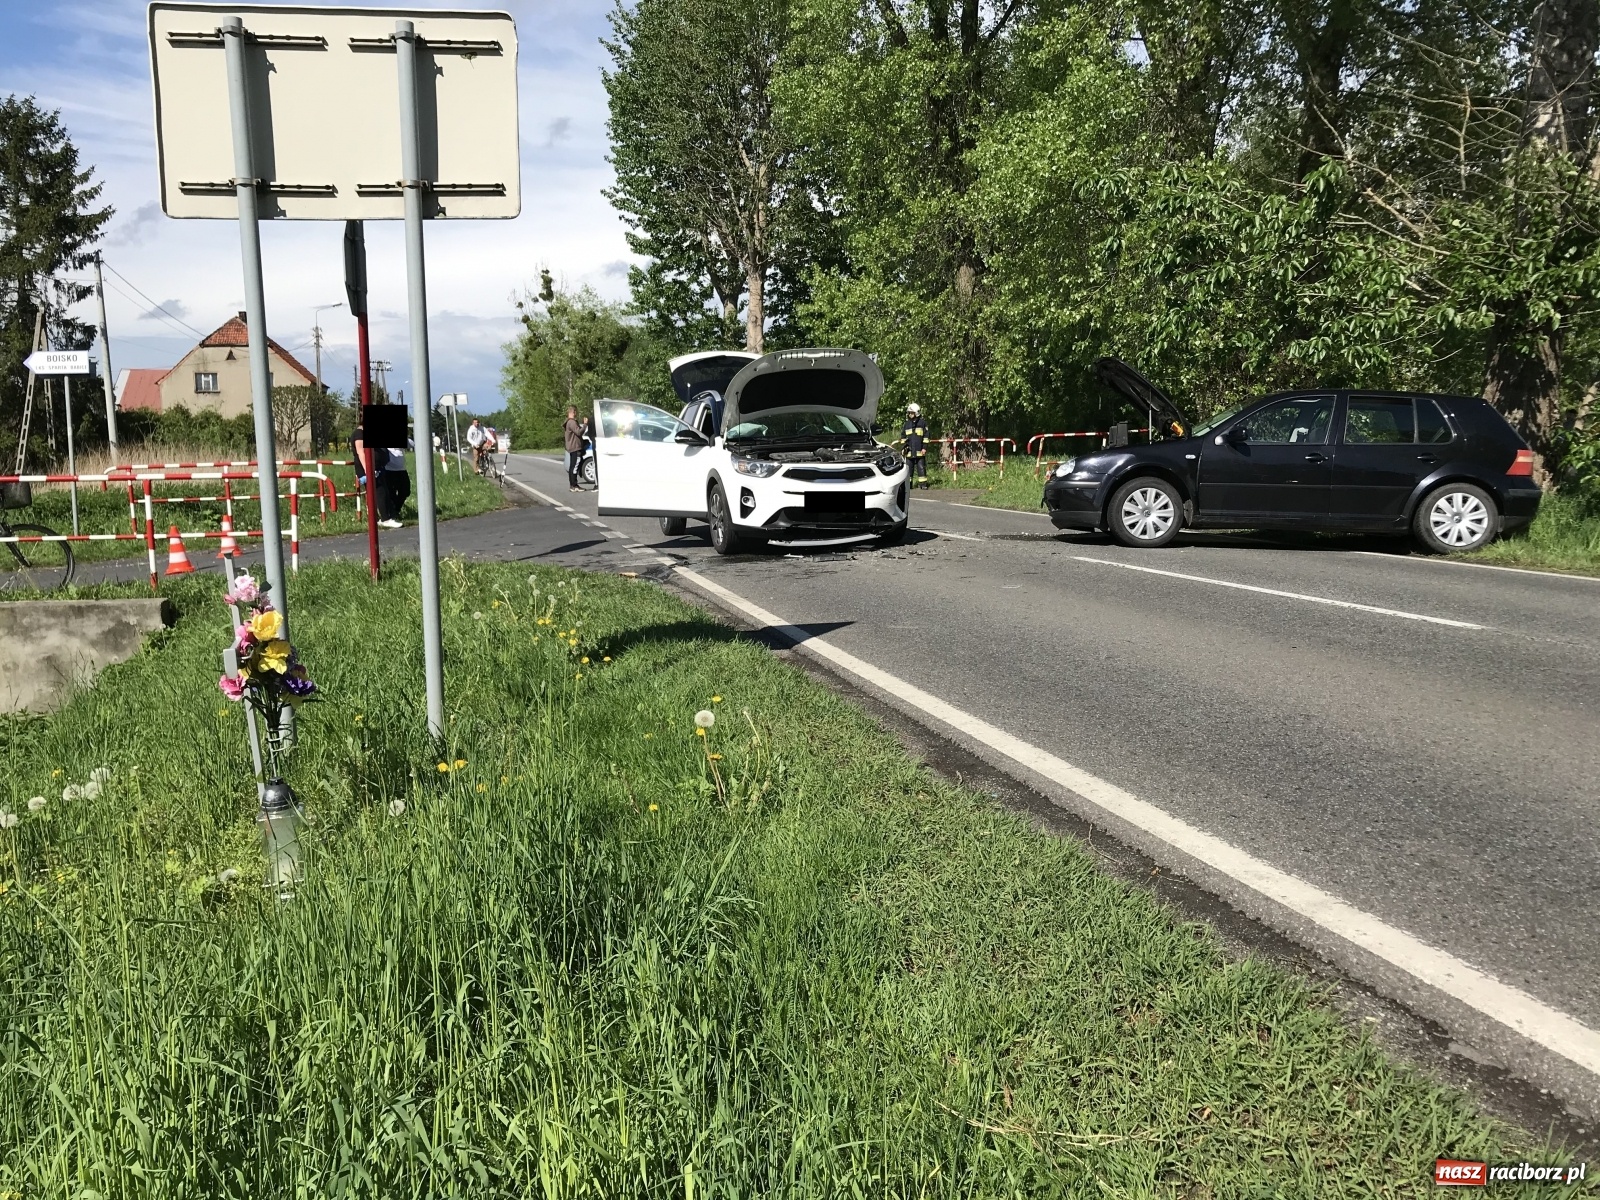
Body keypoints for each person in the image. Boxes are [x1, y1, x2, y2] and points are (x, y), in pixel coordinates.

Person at [902, 402, 929, 489]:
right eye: (909, 413)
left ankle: (923, 485)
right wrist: (904, 447)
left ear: (916, 413)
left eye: (912, 413)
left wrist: (924, 448)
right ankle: (908, 486)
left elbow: (926, 436)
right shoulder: (906, 425)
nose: (910, 414)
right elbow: (903, 437)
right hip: (909, 452)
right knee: (909, 470)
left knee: (921, 468)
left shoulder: (922, 423)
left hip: (919, 451)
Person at [562, 405, 584, 491]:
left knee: (573, 466)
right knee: (574, 466)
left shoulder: (568, 422)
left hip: (571, 446)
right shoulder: (572, 422)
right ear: (573, 412)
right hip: (574, 446)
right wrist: (585, 425)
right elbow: (578, 432)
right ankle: (574, 485)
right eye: (576, 412)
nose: (576, 414)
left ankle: (573, 485)